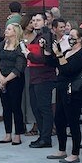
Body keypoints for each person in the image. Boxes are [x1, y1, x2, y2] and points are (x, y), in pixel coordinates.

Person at [50, 24, 82, 162]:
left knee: (72, 121)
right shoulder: (67, 52)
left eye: (73, 37)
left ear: (80, 39)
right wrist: (53, 52)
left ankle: (75, 153)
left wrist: (60, 55)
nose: (69, 38)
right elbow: (57, 65)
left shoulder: (81, 55)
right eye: (69, 36)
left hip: (73, 91)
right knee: (59, 119)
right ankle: (61, 149)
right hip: (61, 88)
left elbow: (68, 69)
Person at [25, 14, 58, 149]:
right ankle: (42, 136)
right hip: (35, 76)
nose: (35, 22)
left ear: (45, 21)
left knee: (44, 108)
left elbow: (44, 58)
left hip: (44, 77)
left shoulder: (47, 36)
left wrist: (28, 54)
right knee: (36, 107)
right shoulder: (37, 36)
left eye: (38, 20)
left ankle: (46, 138)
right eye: (33, 20)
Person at [0, 22, 28, 145]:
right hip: (1, 77)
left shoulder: (20, 46)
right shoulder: (1, 44)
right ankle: (7, 133)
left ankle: (17, 134)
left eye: (9, 29)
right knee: (5, 107)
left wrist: (6, 80)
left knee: (15, 107)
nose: (6, 30)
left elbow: (19, 66)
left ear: (15, 32)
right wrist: (1, 78)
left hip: (15, 80)